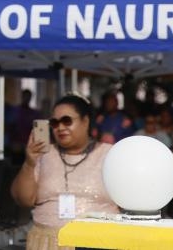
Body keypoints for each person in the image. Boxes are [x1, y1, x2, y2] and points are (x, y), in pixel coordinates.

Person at [10, 95, 118, 250]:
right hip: (47, 243)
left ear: (85, 121)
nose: (60, 127)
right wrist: (29, 163)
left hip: (98, 244)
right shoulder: (43, 155)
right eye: (54, 123)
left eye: (67, 121)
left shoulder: (109, 155)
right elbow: (23, 200)